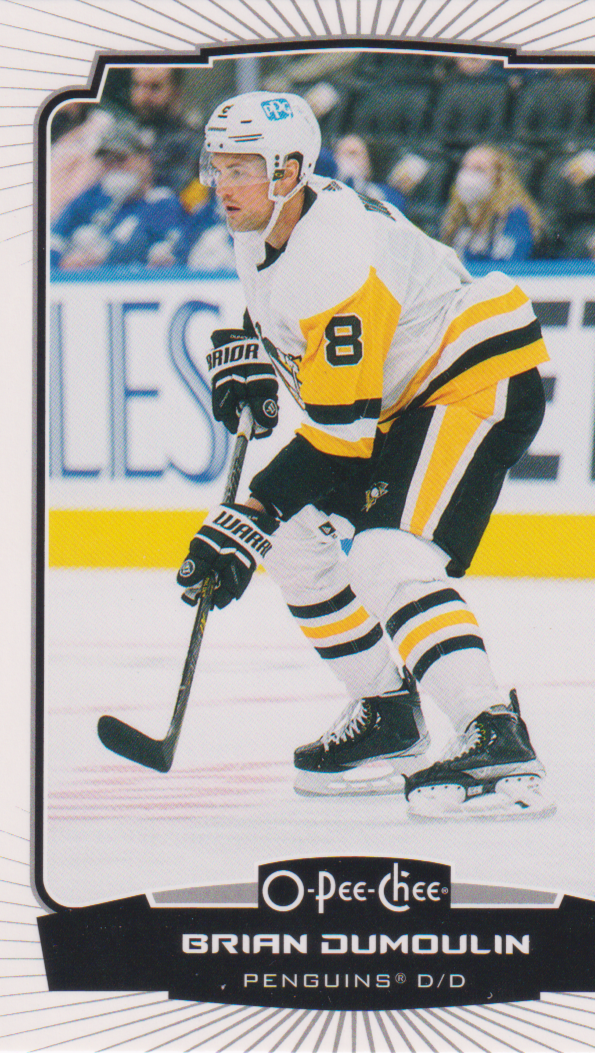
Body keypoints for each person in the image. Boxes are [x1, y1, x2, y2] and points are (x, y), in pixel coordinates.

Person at [176, 91, 553, 819]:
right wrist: (253, 347)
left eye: (240, 168)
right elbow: (287, 307)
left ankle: (493, 732)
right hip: (403, 398)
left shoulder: (335, 252)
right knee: (288, 535)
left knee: (386, 555)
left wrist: (248, 511)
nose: (222, 184)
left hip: (472, 380)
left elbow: (338, 440)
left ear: (288, 171)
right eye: (216, 166)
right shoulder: (267, 216)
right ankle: (386, 711)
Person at [50, 122, 187, 270]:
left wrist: (97, 259)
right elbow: (53, 238)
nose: (114, 167)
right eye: (107, 162)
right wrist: (60, 262)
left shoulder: (162, 204)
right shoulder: (92, 198)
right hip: (74, 279)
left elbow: (148, 252)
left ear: (145, 160)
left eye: (121, 159)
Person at [441, 144, 543, 264]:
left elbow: (510, 264)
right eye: (465, 168)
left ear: (499, 177)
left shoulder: (514, 215)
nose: (468, 176)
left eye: (479, 169)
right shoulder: (458, 216)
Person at [127, 66, 201, 195]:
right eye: (137, 85)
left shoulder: (190, 142)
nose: (143, 96)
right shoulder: (126, 130)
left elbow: (175, 192)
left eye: (155, 87)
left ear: (176, 92)